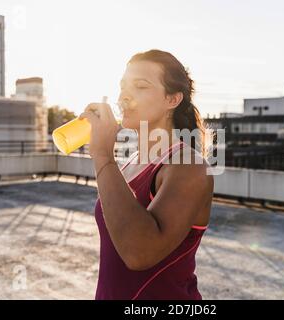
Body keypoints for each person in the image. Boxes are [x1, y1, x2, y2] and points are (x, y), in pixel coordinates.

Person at [79, 49, 214, 300]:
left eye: (140, 86)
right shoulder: (131, 162)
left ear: (172, 100)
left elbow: (139, 253)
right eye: (123, 86)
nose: (125, 96)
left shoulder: (189, 166)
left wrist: (103, 157)